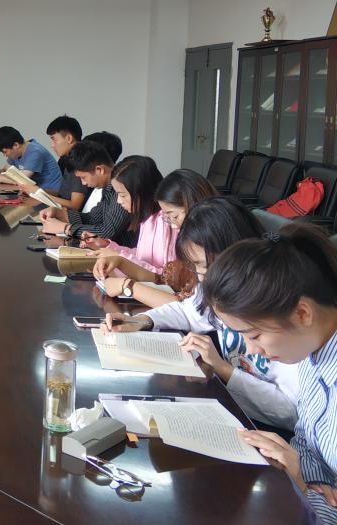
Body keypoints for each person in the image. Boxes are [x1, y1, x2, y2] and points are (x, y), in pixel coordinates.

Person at [102, 197, 299, 432]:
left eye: (204, 266)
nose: (201, 276)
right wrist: (142, 321)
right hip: (231, 406)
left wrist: (222, 369)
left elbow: (290, 413)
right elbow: (190, 310)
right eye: (195, 266)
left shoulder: (279, 312)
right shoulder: (218, 285)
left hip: (263, 427)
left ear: (233, 252)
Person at [200, 226, 337, 521]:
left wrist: (303, 485)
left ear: (302, 313)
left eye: (255, 335)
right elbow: (306, 442)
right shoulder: (312, 354)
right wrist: (304, 475)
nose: (252, 350)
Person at [94, 168, 217, 301]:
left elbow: (186, 305)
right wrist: (120, 261)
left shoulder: (210, 247)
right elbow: (162, 278)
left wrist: (127, 286)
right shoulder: (180, 237)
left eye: (174, 216)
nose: (173, 225)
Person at [38, 140, 133, 245]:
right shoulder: (107, 188)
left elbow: (107, 232)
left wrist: (65, 228)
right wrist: (59, 213)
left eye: (83, 177)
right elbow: (93, 218)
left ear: (99, 170)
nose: (83, 183)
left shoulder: (121, 189)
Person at [88, 156, 166, 282]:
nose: (119, 201)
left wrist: (119, 258)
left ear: (142, 192)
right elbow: (142, 256)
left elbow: (164, 276)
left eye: (122, 195)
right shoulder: (147, 220)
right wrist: (109, 246)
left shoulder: (166, 223)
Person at [26, 115, 90, 211]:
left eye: (54, 139)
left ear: (69, 138)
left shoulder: (79, 163)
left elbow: (74, 205)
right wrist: (37, 191)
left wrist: (40, 194)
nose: (52, 145)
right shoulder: (67, 159)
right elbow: (63, 195)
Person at [0, 126, 62, 193]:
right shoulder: (16, 153)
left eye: (5, 152)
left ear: (16, 145)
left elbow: (21, 180)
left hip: (50, 193)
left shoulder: (35, 152)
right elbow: (6, 169)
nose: (4, 155)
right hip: (34, 191)